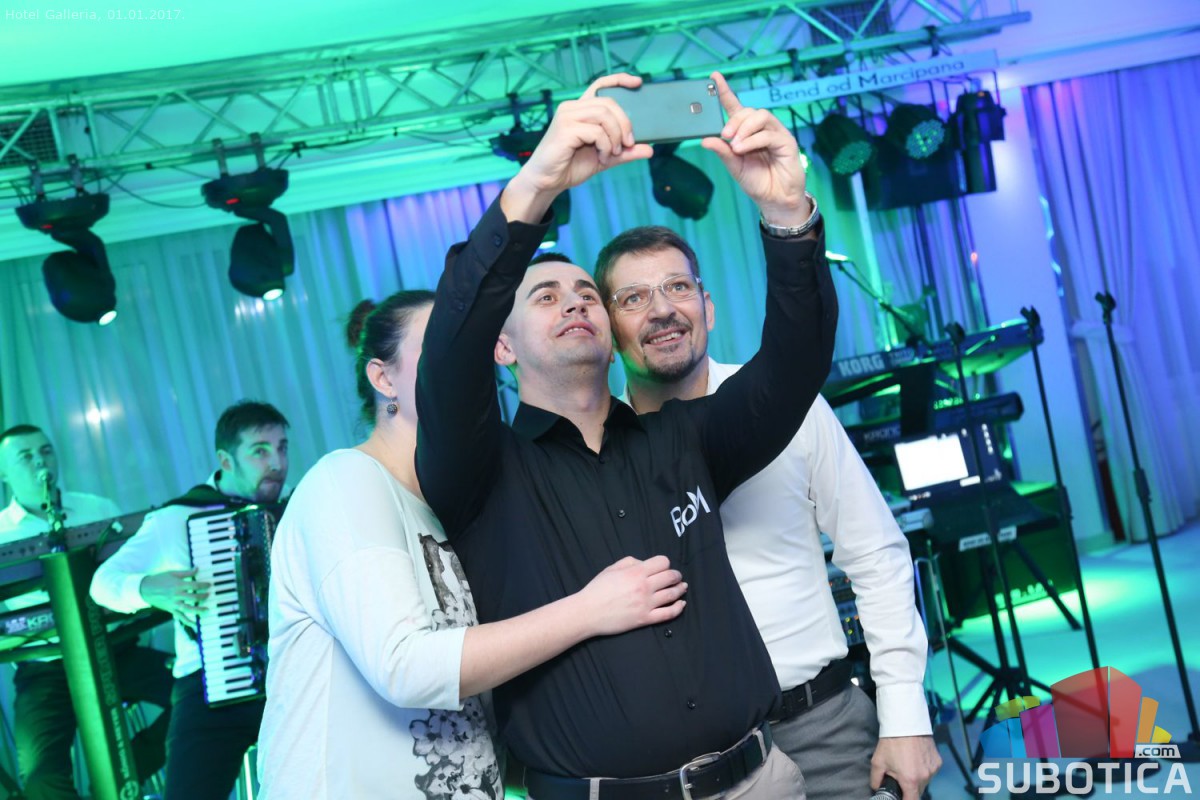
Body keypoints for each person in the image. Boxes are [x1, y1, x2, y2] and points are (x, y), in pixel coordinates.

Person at [416, 71, 836, 799]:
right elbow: (451, 348)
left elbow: (794, 365)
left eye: (588, 294)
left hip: (760, 781)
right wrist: (539, 183)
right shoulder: (479, 470)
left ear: (613, 336)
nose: (574, 303)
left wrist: (786, 214)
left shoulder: (685, 438)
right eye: (545, 297)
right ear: (502, 346)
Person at [256, 291, 687, 799]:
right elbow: (404, 665)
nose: (462, 365)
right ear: (383, 379)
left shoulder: (453, 505)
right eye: (442, 349)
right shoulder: (346, 481)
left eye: (471, 349)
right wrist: (591, 609)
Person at [594, 226, 943, 800]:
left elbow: (875, 553)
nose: (662, 310)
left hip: (822, 727)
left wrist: (905, 714)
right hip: (692, 763)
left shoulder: (790, 406)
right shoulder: (598, 454)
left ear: (707, 307)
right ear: (609, 333)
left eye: (678, 287)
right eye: (634, 298)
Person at [89, 401, 289, 800]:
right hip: (209, 690)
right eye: (260, 451)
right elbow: (101, 584)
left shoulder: (294, 510)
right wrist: (148, 588)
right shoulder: (174, 520)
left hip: (291, 679)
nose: (277, 463)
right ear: (226, 460)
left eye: (282, 447)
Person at [0, 424, 173, 800]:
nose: (40, 462)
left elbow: (135, 570)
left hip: (114, 649)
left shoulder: (97, 508)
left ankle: (116, 782)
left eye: (45, 451)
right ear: (3, 473)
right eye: (25, 456)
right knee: (41, 778)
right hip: (46, 668)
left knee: (196, 695)